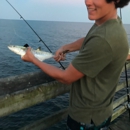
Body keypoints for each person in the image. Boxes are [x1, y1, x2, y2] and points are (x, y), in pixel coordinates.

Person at [22, 0, 130, 129]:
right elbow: (90, 38)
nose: (88, 2)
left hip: (87, 118)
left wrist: (34, 59)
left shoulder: (104, 39)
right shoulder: (109, 23)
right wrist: (66, 47)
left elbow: (65, 77)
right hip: (101, 111)